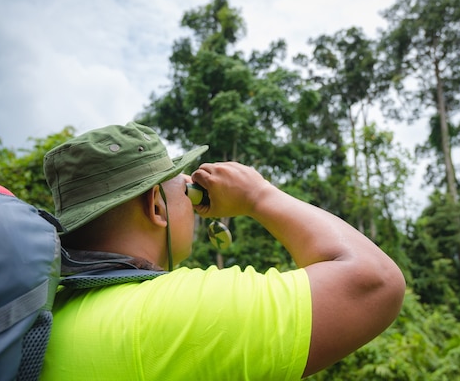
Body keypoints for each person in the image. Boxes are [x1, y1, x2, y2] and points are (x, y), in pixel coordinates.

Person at [40, 121, 405, 380]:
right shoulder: (177, 315)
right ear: (156, 207)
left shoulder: (37, 310)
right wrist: (259, 195)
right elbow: (375, 281)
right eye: (179, 185)